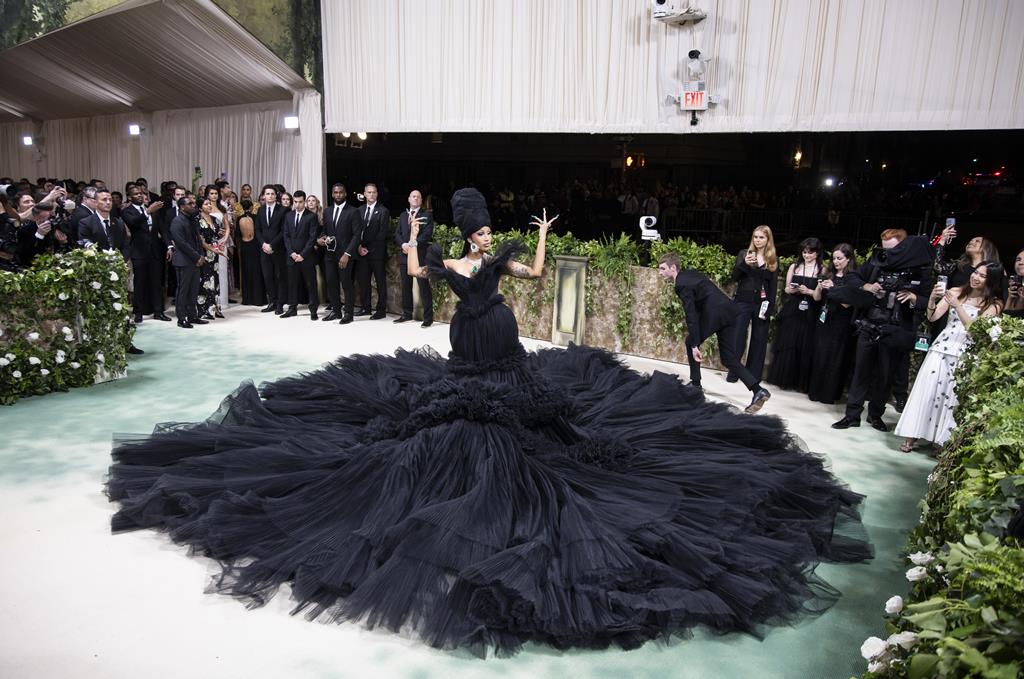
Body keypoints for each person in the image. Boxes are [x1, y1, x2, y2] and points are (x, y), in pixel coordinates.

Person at [108, 186, 869, 654]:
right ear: (463, 229)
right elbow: (414, 271)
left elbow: (534, 273)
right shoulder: (452, 263)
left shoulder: (500, 255)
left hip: (502, 342)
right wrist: (413, 238)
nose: (482, 234)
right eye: (476, 228)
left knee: (534, 420)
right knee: (455, 423)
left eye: (484, 229)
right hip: (466, 348)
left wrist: (538, 233)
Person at [895, 262, 1004, 453]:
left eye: (982, 276)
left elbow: (976, 330)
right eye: (975, 272)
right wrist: (932, 299)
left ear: (991, 280)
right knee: (927, 391)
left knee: (951, 398)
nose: (975, 277)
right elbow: (933, 317)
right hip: (941, 348)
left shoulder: (994, 305)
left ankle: (941, 440)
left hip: (966, 354)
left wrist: (958, 306)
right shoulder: (955, 291)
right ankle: (911, 436)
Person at [832, 229, 934, 431]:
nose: (888, 254)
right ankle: (852, 415)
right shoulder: (877, 261)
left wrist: (913, 297)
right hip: (869, 324)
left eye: (893, 249)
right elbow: (852, 277)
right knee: (860, 373)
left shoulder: (919, 269)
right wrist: (867, 286)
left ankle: (875, 415)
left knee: (885, 375)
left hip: (896, 329)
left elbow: (928, 300)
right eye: (885, 248)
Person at [656, 253, 772, 413]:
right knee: (729, 359)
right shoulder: (691, 274)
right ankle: (758, 390)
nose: (660, 272)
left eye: (663, 268)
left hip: (715, 314)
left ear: (673, 267)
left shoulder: (681, 284)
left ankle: (696, 384)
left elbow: (691, 314)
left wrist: (695, 344)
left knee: (690, 342)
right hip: (730, 311)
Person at [767, 238, 823, 392]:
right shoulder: (795, 266)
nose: (806, 255)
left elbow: (819, 295)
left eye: (810, 253)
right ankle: (783, 379)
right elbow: (786, 288)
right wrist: (791, 289)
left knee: (805, 345)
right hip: (793, 307)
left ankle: (800, 382)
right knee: (788, 343)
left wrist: (808, 291)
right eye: (804, 252)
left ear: (817, 253)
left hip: (810, 310)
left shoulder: (821, 269)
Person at [726, 225, 778, 384]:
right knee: (738, 337)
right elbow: (734, 277)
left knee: (759, 339)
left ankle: (752, 376)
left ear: (768, 239)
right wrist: (744, 264)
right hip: (743, 300)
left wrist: (770, 306)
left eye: (761, 237)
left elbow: (773, 286)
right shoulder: (744, 254)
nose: (758, 240)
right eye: (755, 237)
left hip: (762, 303)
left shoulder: (772, 259)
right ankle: (734, 373)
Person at [807, 244, 858, 404]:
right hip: (824, 318)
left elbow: (847, 304)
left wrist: (834, 288)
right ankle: (814, 391)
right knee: (820, 354)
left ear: (848, 259)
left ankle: (828, 394)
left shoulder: (853, 278)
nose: (836, 262)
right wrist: (819, 286)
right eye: (834, 258)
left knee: (835, 358)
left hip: (841, 321)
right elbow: (817, 298)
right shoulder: (828, 274)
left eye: (839, 258)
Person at [121, 185, 171, 322]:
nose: (140, 195)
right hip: (139, 251)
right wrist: (147, 212)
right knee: (139, 283)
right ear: (129, 197)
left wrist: (169, 245)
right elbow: (133, 223)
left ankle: (158, 311)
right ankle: (138, 312)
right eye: (136, 194)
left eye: (141, 193)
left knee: (156, 282)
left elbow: (162, 229)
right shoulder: (127, 211)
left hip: (155, 251)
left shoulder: (152, 209)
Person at [319, 183, 360, 323]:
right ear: (332, 194)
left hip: (345, 256)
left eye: (340, 192)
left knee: (347, 285)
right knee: (331, 284)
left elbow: (357, 235)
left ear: (345, 194)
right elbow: (324, 231)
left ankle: (348, 314)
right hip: (329, 254)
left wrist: (347, 254)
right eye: (335, 192)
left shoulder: (353, 211)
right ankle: (336, 312)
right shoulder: (327, 211)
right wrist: (322, 238)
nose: (338, 195)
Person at [394, 189, 434, 327]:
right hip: (405, 256)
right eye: (413, 196)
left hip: (420, 257)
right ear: (409, 199)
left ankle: (428, 318)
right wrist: (403, 244)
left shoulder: (426, 215)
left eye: (418, 197)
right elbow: (397, 234)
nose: (416, 198)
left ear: (421, 200)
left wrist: (413, 245)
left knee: (424, 287)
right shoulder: (403, 215)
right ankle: (407, 314)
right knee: (405, 286)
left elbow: (427, 235)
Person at [281, 191, 319, 320]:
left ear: (304, 202)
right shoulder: (289, 215)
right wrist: (291, 252)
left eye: (300, 202)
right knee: (292, 284)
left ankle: (313, 310)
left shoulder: (311, 216)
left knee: (311, 284)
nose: (297, 204)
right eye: (295, 202)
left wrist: (302, 254)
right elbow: (286, 235)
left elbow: (312, 238)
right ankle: (292, 309)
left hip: (307, 257)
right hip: (291, 256)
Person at [168, 196, 205, 328]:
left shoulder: (192, 219)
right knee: (183, 290)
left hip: (195, 259)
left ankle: (192, 315)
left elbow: (198, 240)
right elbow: (181, 243)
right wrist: (196, 257)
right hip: (184, 260)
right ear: (182, 207)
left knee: (193, 290)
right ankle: (181, 318)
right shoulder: (177, 221)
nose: (193, 205)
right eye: (190, 204)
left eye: (194, 203)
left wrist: (201, 255)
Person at [356, 183, 390, 319]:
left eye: (374, 192)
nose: (371, 194)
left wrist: (368, 248)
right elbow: (355, 231)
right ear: (364, 194)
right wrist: (359, 247)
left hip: (377, 253)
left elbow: (382, 234)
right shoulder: (359, 210)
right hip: (361, 252)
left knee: (380, 282)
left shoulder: (383, 211)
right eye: (369, 192)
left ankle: (381, 310)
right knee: (364, 282)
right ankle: (366, 308)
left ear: (377, 194)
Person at [255, 185, 287, 314]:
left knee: (280, 277)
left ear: (276, 196)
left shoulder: (283, 210)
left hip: (278, 249)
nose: (270, 196)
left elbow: (283, 231)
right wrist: (263, 244)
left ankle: (280, 304)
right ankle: (272, 302)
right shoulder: (260, 210)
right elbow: (258, 229)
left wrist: (271, 245)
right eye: (267, 194)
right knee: (267, 276)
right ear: (264, 195)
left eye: (272, 194)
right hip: (264, 249)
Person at [196, 199, 222, 321]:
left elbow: (217, 235)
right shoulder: (197, 220)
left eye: (210, 204)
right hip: (204, 253)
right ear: (200, 207)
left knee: (215, 279)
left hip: (215, 254)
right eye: (206, 204)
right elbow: (200, 240)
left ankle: (214, 308)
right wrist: (211, 248)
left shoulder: (214, 219)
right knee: (205, 280)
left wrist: (220, 241)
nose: (209, 205)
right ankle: (203, 310)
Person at [1005, 248, 1024, 317]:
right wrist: (1010, 298)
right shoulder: (1016, 286)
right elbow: (1007, 317)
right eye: (1018, 260)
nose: (1020, 262)